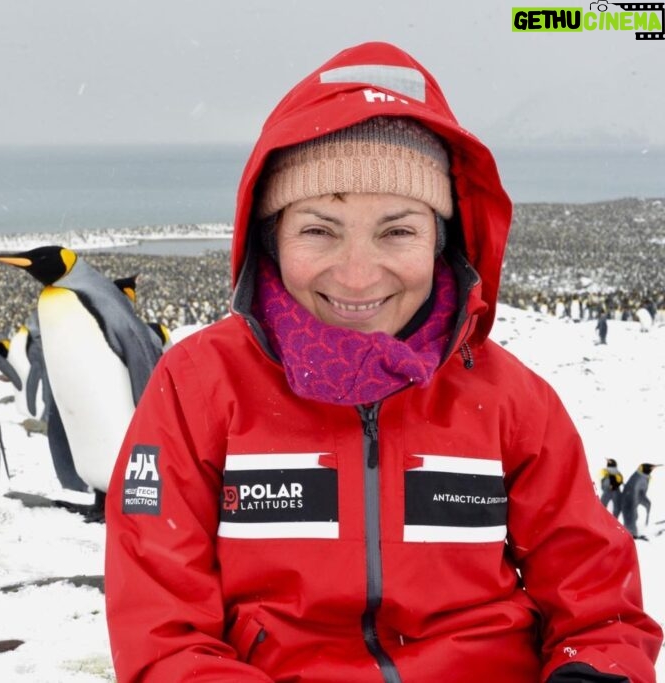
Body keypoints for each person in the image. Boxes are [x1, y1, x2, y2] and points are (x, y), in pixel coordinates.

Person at [104, 42, 661, 683]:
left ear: (441, 242)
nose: (358, 275)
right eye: (319, 229)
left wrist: (593, 672)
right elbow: (164, 631)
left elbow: (598, 609)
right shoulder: (199, 388)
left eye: (397, 231)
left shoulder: (512, 401)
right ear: (270, 238)